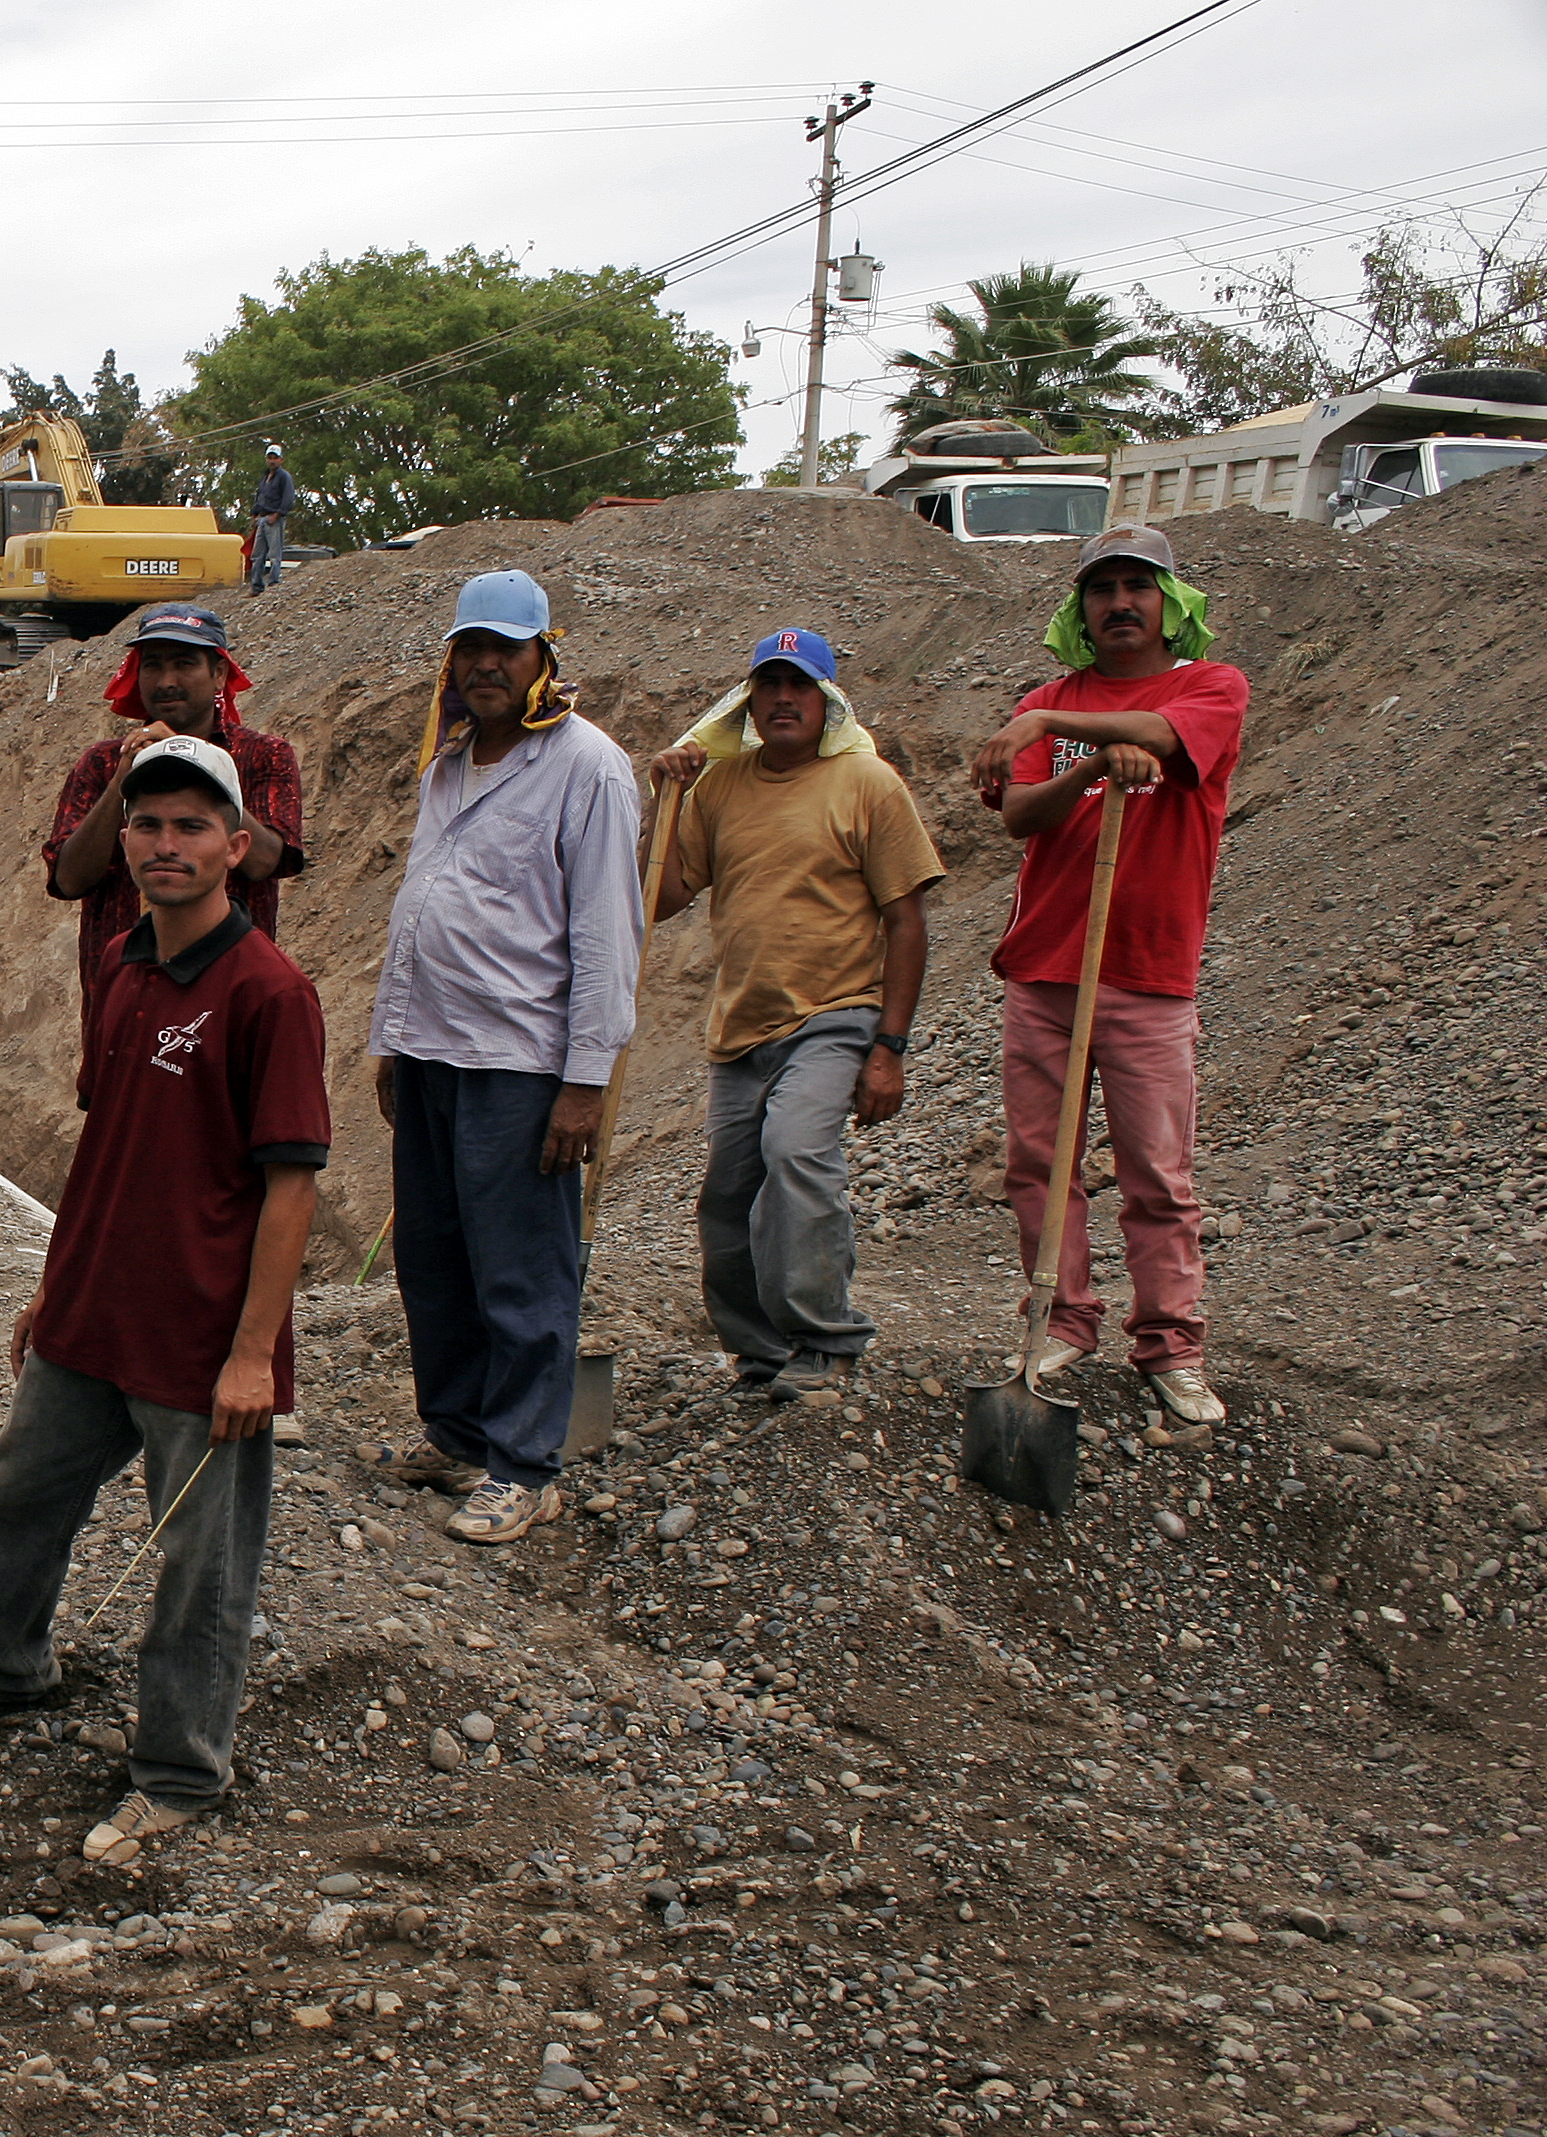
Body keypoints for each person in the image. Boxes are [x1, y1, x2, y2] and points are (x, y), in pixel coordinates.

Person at [0, 737, 329, 1870]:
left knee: (200, 1563)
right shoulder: (125, 969)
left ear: (236, 847)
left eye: (193, 825)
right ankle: (6, 1669)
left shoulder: (271, 994)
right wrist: (54, 1284)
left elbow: (291, 1186)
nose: (165, 844)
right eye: (147, 824)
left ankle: (180, 1772)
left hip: (199, 1335)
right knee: (15, 1494)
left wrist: (254, 1354)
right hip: (93, 1311)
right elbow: (111, 1144)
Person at [366, 570, 643, 1543]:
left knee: (521, 1267)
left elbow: (606, 931)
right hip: (431, 1047)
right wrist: (391, 1037)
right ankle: (457, 1432)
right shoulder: (448, 763)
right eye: (471, 648)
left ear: (543, 658)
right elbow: (422, 899)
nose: (487, 665)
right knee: (434, 1256)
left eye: (507, 649)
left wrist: (585, 1081)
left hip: (521, 1059)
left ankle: (526, 1464)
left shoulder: (589, 768)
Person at [968, 523, 1249, 1426]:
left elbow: (1166, 735)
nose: (1120, 603)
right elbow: (1019, 815)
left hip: (1149, 971)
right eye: (1102, 589)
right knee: (1039, 1162)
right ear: (1080, 610)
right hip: (1044, 966)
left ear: (1172, 604)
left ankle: (1171, 1344)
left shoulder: (1211, 686)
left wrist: (1054, 726)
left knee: (1156, 1172)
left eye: (1138, 587)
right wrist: (1089, 760)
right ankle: (1061, 1319)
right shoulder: (1048, 699)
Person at [646, 628, 946, 1404]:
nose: (784, 699)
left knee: (796, 1155)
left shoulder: (868, 784)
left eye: (800, 686)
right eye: (769, 686)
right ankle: (759, 1354)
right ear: (748, 703)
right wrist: (664, 802)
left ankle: (825, 1340)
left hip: (836, 1015)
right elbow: (664, 898)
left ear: (827, 700)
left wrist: (890, 1048)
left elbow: (906, 920)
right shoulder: (720, 787)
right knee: (726, 1198)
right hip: (740, 1027)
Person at [44, 602, 304, 1068]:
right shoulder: (101, 764)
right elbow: (68, 878)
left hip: (225, 1002)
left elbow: (265, 860)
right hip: (122, 999)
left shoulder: (265, 757)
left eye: (184, 664)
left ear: (219, 673)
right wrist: (124, 776)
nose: (166, 681)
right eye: (153, 665)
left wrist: (192, 758)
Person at [248, 443, 296, 595]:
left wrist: (277, 515)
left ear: (281, 459)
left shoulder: (284, 477)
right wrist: (254, 514)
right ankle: (256, 586)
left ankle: (274, 583)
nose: (272, 461)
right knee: (257, 555)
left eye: (275, 458)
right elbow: (259, 497)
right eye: (270, 458)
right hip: (262, 519)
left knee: (274, 554)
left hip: (274, 519)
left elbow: (288, 499)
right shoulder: (264, 477)